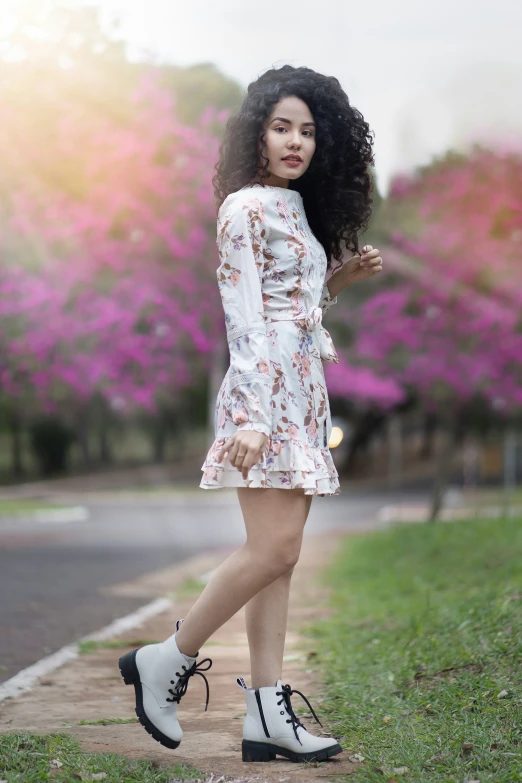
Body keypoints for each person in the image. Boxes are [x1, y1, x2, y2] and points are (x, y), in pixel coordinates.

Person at [119, 64, 382, 764]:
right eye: (281, 127)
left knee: (281, 563)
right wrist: (252, 417)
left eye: (307, 131)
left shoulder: (294, 208)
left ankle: (267, 715)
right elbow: (245, 320)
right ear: (256, 134)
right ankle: (165, 658)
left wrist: (337, 282)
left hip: (299, 396)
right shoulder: (242, 209)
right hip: (261, 401)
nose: (295, 142)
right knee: (273, 549)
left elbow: (290, 311)